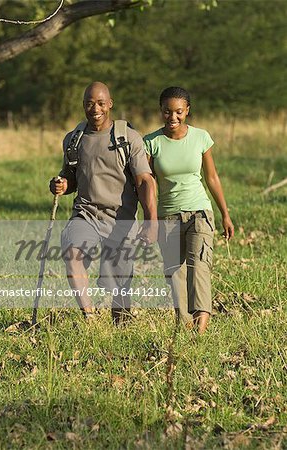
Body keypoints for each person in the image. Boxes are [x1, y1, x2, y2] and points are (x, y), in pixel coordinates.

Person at [50, 81, 157, 324]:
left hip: (121, 219)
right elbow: (70, 176)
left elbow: (144, 182)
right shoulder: (74, 139)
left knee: (119, 287)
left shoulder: (128, 138)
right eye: (89, 103)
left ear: (110, 104)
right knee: (72, 254)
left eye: (100, 103)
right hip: (86, 214)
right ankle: (89, 317)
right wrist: (62, 185)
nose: (94, 108)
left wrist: (152, 221)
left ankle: (121, 322)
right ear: (83, 106)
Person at [144, 86, 234, 333]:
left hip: (199, 212)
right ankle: (183, 327)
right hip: (168, 215)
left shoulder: (201, 137)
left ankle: (200, 332)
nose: (173, 117)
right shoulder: (151, 142)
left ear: (187, 111)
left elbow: (212, 177)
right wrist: (149, 218)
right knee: (175, 273)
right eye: (167, 112)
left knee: (199, 268)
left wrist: (225, 214)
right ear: (161, 111)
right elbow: (147, 183)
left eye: (178, 112)